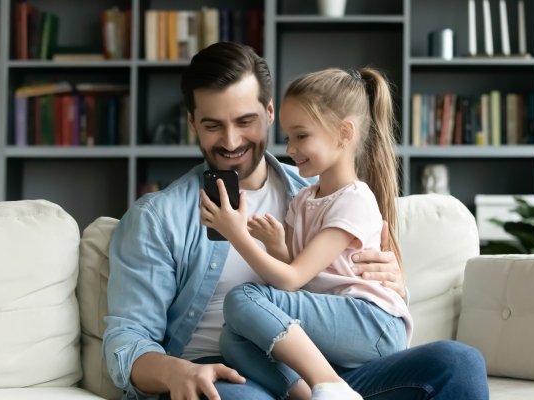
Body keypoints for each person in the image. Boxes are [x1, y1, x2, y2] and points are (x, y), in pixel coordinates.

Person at [103, 41, 489, 400]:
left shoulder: (317, 192)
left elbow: (354, 304)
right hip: (231, 372)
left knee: (458, 363)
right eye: (212, 125)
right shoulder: (158, 218)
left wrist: (391, 279)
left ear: (271, 113)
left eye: (245, 121)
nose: (232, 141)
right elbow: (128, 339)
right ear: (192, 123)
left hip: (333, 367)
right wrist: (175, 373)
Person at [199, 66, 411, 400]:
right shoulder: (303, 200)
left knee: (242, 298)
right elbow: (304, 274)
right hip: (333, 321)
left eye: (302, 135)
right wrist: (278, 247)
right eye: (288, 137)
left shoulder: (354, 200)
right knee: (232, 338)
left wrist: (236, 233)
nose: (291, 148)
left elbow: (292, 280)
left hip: (372, 324)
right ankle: (306, 395)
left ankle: (331, 384)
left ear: (344, 133)